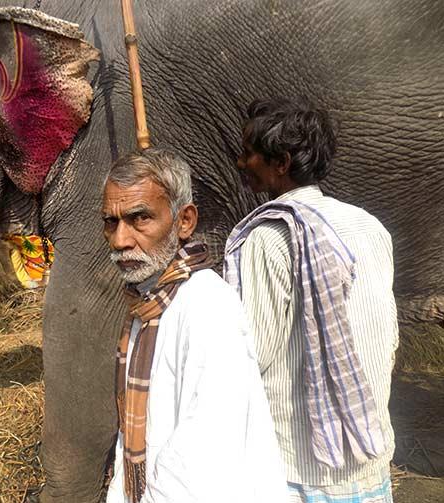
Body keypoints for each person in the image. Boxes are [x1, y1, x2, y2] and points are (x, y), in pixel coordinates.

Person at [225, 97, 399, 503]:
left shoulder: (268, 239)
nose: (240, 163)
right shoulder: (369, 226)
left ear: (281, 162)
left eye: (248, 154)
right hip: (369, 451)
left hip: (298, 465)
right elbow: (386, 333)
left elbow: (253, 354)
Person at [102, 147, 288, 503]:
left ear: (184, 221)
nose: (121, 240)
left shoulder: (206, 304)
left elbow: (204, 452)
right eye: (111, 222)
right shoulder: (149, 305)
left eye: (139, 218)